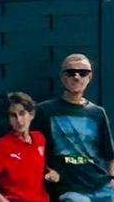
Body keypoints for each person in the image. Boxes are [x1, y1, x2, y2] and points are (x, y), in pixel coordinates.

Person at [33, 54, 114, 201]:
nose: (77, 77)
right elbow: (29, 149)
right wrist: (48, 170)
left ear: (90, 77)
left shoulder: (98, 113)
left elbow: (110, 154)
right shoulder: (44, 110)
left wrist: (112, 179)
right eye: (71, 72)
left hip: (101, 185)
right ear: (62, 77)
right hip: (69, 188)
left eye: (83, 72)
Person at [0, 91, 56, 202]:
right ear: (9, 120)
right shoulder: (4, 145)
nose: (19, 120)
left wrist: (50, 172)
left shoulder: (40, 139)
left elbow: (34, 163)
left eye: (22, 113)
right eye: (13, 115)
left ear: (31, 115)